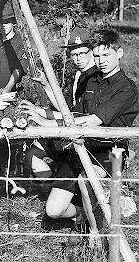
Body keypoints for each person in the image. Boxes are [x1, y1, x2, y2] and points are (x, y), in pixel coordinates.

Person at [20, 29, 139, 227]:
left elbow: (91, 121)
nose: (101, 60)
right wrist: (44, 113)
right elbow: (74, 115)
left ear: (119, 53)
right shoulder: (91, 80)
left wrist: (45, 123)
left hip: (110, 154)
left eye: (106, 55)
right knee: (53, 210)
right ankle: (82, 215)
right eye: (98, 55)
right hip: (82, 147)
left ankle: (96, 232)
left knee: (86, 179)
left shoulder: (127, 89)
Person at [26, 27, 98, 182]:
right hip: (70, 128)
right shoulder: (79, 74)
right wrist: (44, 89)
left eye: (82, 53)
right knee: (32, 153)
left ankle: (59, 190)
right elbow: (65, 109)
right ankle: (49, 187)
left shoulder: (96, 78)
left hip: (86, 139)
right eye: (74, 54)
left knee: (38, 151)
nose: (78, 58)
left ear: (91, 51)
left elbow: (81, 117)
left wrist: (44, 120)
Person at [0, 0, 29, 93]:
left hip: (9, 92)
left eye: (6, 22)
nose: (2, 25)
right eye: (0, 22)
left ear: (13, 22)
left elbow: (19, 69)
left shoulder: (20, 42)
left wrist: (7, 89)